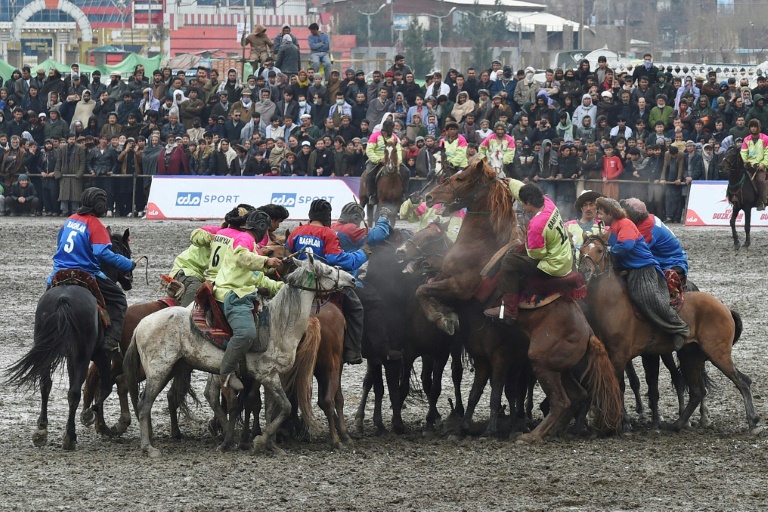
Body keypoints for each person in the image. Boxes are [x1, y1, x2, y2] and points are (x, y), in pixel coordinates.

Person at [47, 188, 136, 352]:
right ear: (100, 206)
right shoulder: (96, 225)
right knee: (119, 300)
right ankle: (111, 340)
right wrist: (127, 264)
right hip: (86, 272)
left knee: (48, 297)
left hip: (59, 271)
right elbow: (102, 253)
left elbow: (60, 242)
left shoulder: (69, 220)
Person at [596, 197, 689, 350]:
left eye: (601, 214)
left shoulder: (629, 225)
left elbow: (626, 245)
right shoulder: (617, 226)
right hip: (634, 266)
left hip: (650, 267)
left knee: (645, 296)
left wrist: (609, 251)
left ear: (611, 214)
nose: (598, 217)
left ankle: (679, 328)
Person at [286, 199, 366, 364]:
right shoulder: (328, 233)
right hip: (322, 283)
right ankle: (352, 350)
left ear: (310, 215)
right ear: (327, 217)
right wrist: (362, 254)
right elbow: (337, 259)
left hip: (299, 282)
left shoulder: (297, 231)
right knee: (356, 308)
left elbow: (288, 250)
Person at [213, 210, 283, 391]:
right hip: (232, 294)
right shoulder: (245, 240)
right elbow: (243, 258)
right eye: (266, 230)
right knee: (246, 333)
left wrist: (283, 287)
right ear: (261, 228)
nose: (267, 234)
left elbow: (257, 278)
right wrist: (266, 261)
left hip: (241, 291)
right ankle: (226, 373)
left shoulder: (251, 244)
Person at [484, 181, 573, 323]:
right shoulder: (548, 203)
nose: (522, 206)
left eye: (523, 203)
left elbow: (536, 254)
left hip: (554, 265)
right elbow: (524, 190)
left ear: (529, 202)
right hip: (565, 256)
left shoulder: (537, 225)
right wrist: (510, 182)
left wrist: (523, 249)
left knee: (509, 261)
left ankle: (509, 310)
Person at [621, 197, 688, 285]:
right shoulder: (648, 220)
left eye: (624, 214)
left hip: (671, 263)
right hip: (663, 259)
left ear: (632, 216)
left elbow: (633, 250)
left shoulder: (647, 229)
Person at [364, 118, 410, 204]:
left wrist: (398, 161)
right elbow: (369, 150)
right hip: (376, 160)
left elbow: (399, 150)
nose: (386, 133)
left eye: (389, 131)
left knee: (406, 172)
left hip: (392, 160)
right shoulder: (374, 136)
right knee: (369, 174)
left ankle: (404, 193)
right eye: (385, 131)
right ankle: (372, 195)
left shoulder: (395, 138)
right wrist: (378, 159)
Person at [740, 118, 768, 210]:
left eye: (755, 126)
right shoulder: (746, 139)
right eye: (751, 127)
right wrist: (745, 161)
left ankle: (763, 201)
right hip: (749, 166)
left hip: (760, 167)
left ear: (758, 128)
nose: (753, 128)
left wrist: (763, 164)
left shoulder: (765, 138)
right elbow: (743, 153)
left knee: (760, 180)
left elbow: (767, 153)